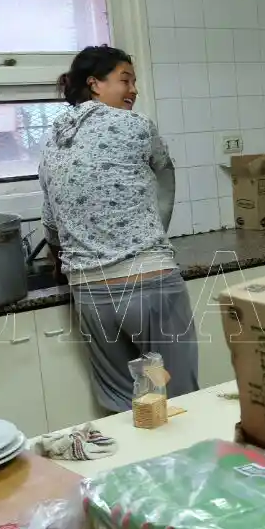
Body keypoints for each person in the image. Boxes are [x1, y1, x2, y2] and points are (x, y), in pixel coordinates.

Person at [38, 45, 200, 413]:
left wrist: (59, 253)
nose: (134, 90)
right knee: (178, 398)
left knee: (121, 402)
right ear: (94, 84)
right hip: (149, 281)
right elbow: (165, 171)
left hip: (90, 291)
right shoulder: (136, 125)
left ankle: (134, 469)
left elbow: (50, 218)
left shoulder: (53, 137)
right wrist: (157, 231)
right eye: (125, 80)